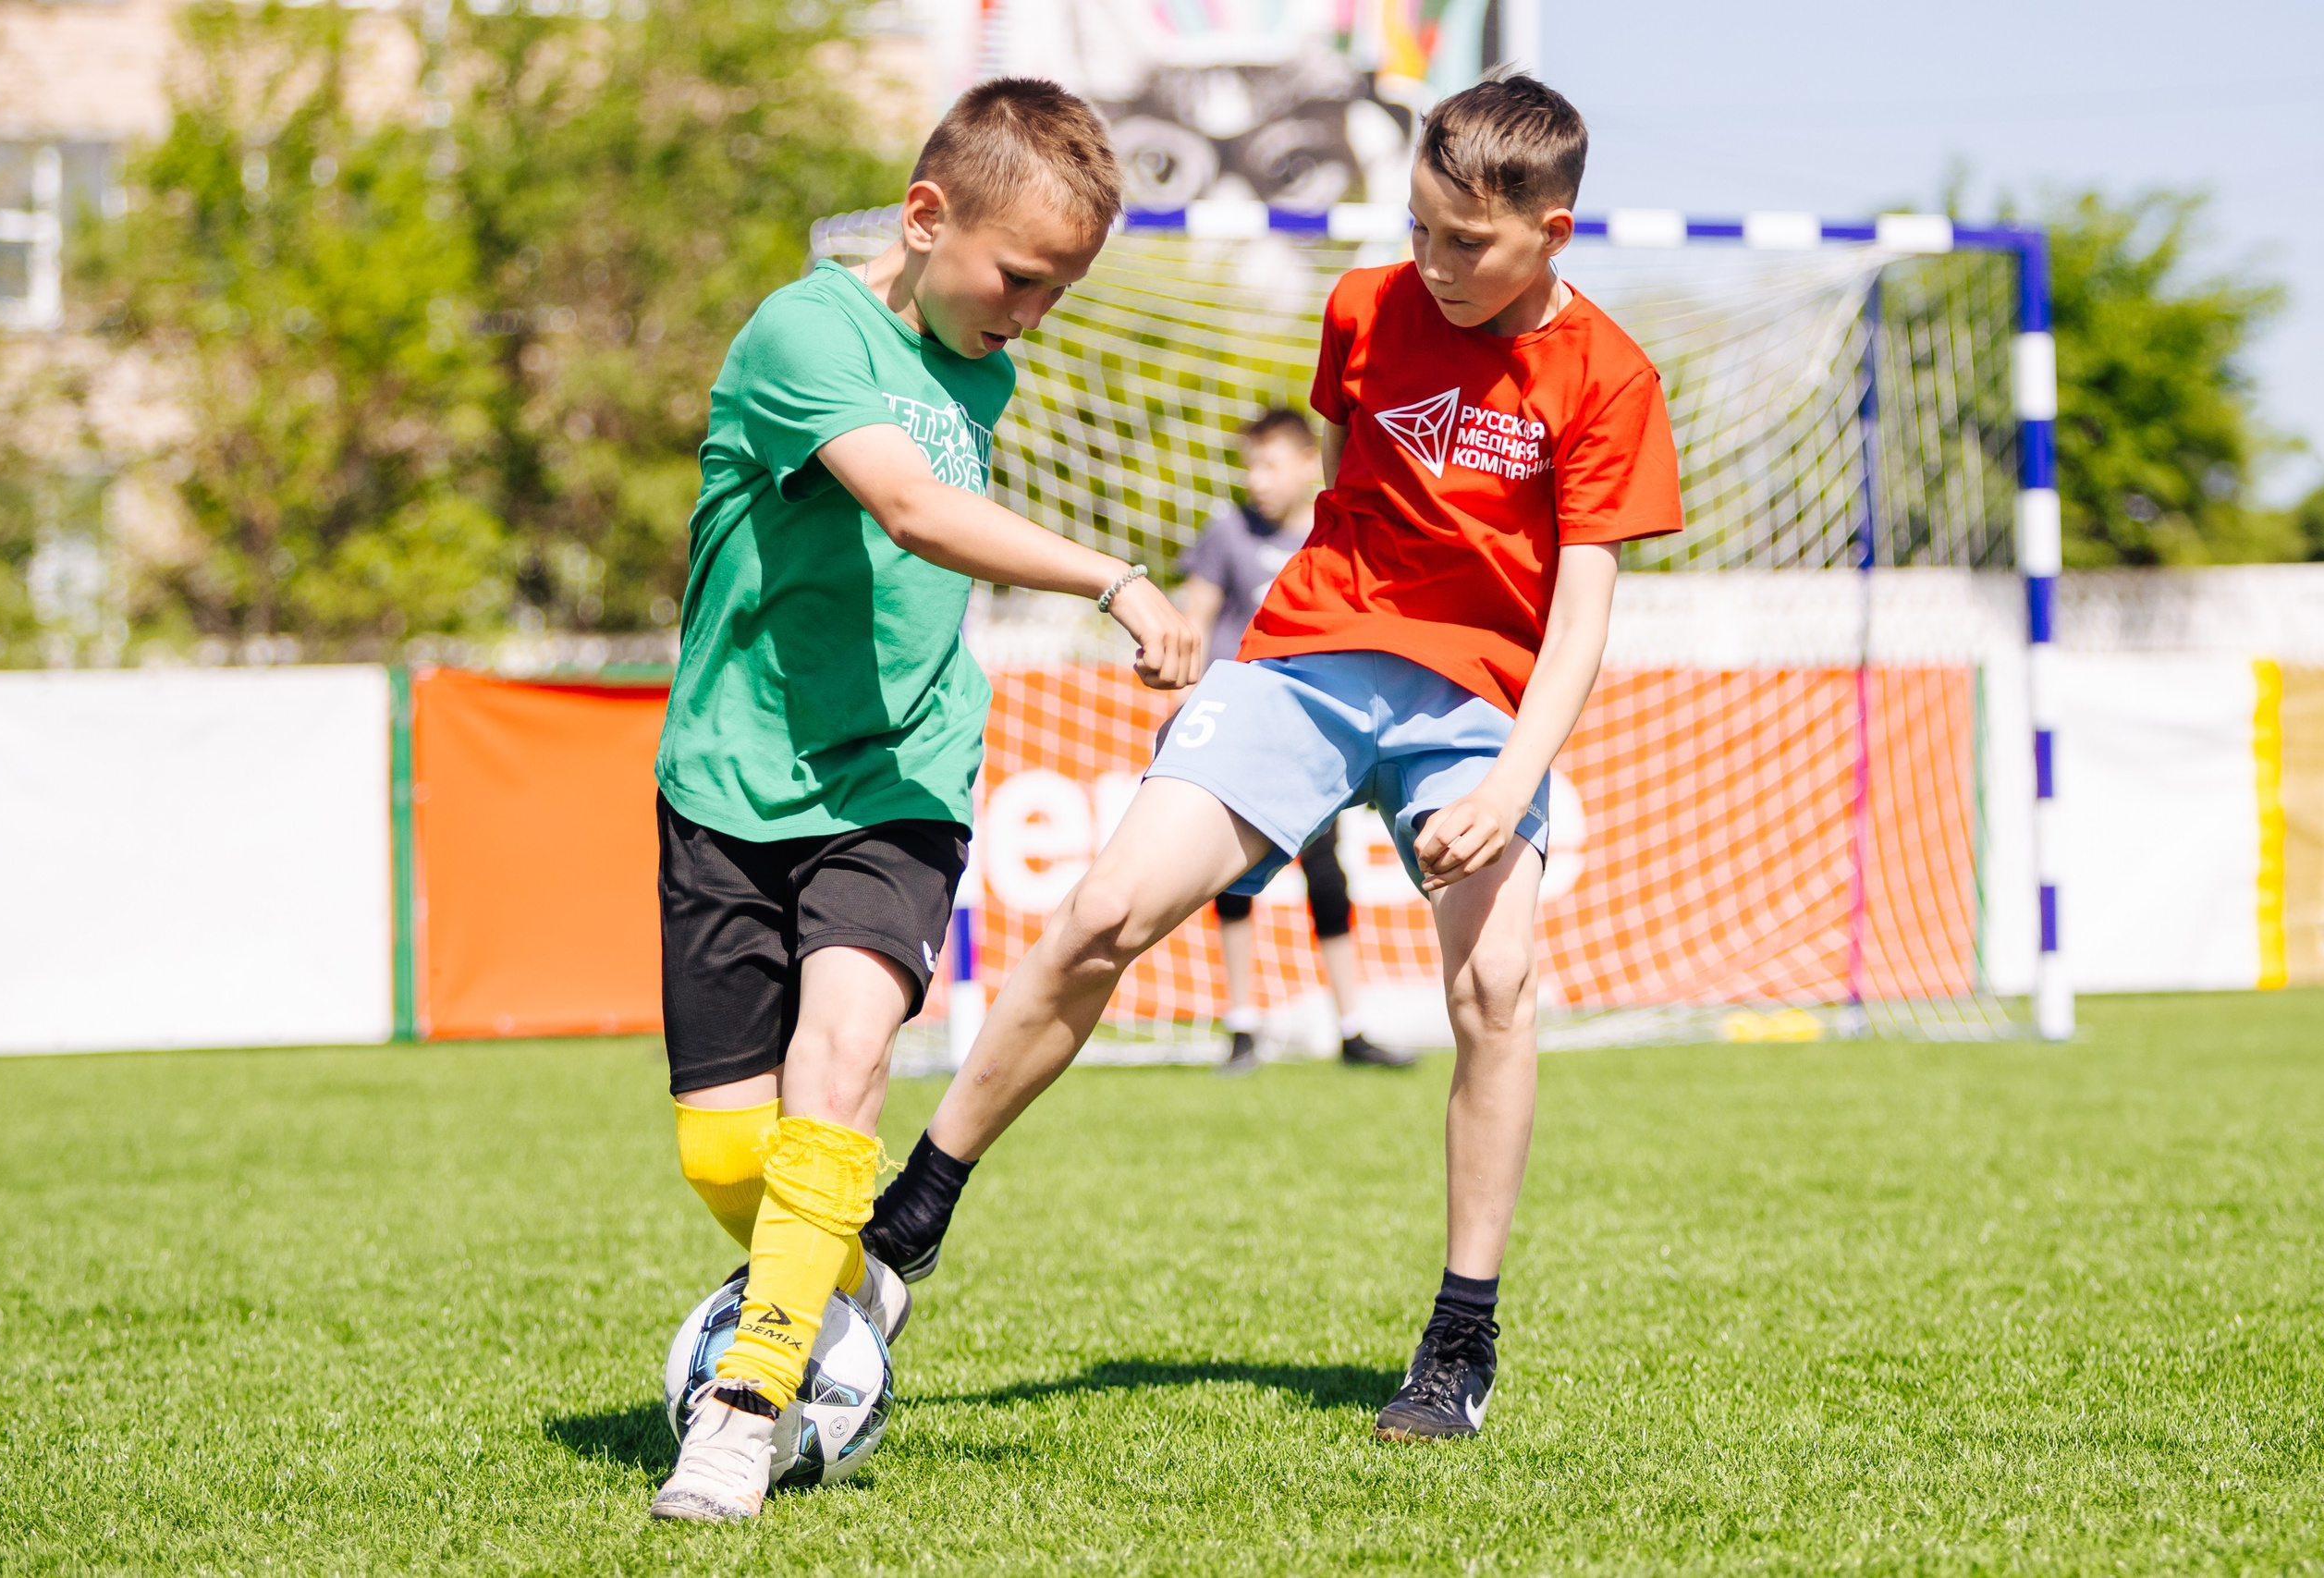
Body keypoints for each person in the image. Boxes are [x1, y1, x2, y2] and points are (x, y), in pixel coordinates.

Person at [861, 75, 1682, 1443]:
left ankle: (1459, 1334)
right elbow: (1358, 488)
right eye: (1419, 227)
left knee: (1496, 979)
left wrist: (1500, 782)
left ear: (1556, 230)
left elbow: (1583, 613)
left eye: (1467, 244)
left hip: (1485, 704)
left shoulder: (1610, 378)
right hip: (1308, 657)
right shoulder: (1364, 309)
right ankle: (911, 1216)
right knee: (1101, 912)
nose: (1433, 262)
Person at [647, 79, 1200, 1523]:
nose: (1033, 315)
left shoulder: (985, 361)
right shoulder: (801, 331)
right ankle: (848, 1287)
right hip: (729, 775)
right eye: (1020, 277)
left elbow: (932, 520)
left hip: (899, 778)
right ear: (924, 217)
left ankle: (747, 1399)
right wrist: (1116, 576)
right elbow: (906, 505)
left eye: (1060, 289)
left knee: (841, 1056)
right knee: (725, 1147)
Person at [1176, 406, 1413, 1074]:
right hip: (1238, 728)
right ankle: (1242, 1026)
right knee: (1227, 878)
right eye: (1249, 464)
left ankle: (1350, 1026)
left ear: (1310, 460)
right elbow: (1194, 615)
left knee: (1328, 876)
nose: (1257, 479)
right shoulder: (1227, 532)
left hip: (1314, 729)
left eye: (1270, 463)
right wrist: (1183, 692)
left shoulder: (1331, 528)